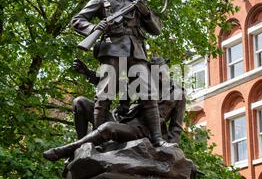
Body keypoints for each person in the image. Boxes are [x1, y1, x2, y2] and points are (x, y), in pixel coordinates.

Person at [71, 0, 164, 146]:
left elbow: (156, 29)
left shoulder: (135, 2)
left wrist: (146, 14)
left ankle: (158, 139)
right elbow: (77, 20)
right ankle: (98, 141)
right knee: (104, 94)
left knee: (148, 92)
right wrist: (94, 28)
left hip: (136, 51)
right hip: (112, 48)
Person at [43, 58, 186, 161]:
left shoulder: (178, 92)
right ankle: (82, 150)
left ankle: (67, 150)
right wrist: (87, 72)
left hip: (142, 131)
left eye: (162, 71)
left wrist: (168, 149)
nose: (159, 75)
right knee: (80, 102)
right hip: (123, 123)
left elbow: (176, 127)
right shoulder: (142, 83)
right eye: (155, 72)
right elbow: (110, 84)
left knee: (107, 128)